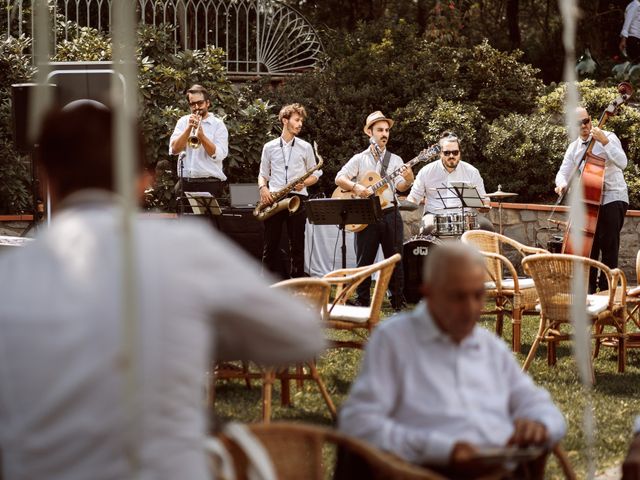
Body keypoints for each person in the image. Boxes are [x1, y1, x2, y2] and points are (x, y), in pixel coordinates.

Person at [0, 102, 324, 480]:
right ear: (143, 179)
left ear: (45, 179)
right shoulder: (184, 248)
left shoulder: (11, 275)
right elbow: (303, 337)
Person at [338, 243, 566, 476]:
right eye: (458, 296)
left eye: (478, 295)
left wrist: (540, 425)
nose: (470, 308)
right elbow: (359, 422)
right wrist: (444, 451)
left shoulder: (489, 346)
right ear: (429, 292)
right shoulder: (395, 340)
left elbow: (540, 406)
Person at [335, 111, 413, 310]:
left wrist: (410, 179)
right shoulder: (360, 159)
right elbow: (339, 178)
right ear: (369, 132)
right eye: (380, 130)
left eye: (387, 130)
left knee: (395, 260)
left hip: (390, 214)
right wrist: (356, 188)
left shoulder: (395, 160)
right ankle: (362, 301)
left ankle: (397, 302)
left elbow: (401, 187)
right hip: (366, 215)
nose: (384, 133)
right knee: (364, 261)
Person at [554, 107, 628, 293]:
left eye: (586, 121)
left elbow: (623, 163)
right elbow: (563, 172)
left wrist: (605, 142)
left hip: (613, 196)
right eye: (579, 124)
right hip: (590, 199)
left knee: (609, 247)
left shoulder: (608, 136)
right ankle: (589, 293)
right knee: (590, 248)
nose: (584, 126)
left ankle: (607, 292)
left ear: (590, 119)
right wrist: (562, 184)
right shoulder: (573, 148)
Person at [258, 103, 322, 278]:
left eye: (301, 120)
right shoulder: (269, 147)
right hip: (275, 198)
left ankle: (298, 285)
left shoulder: (306, 147)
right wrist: (263, 188)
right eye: (297, 120)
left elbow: (316, 173)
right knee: (270, 245)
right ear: (285, 121)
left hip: (298, 198)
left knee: (297, 246)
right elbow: (263, 174)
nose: (300, 123)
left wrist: (305, 183)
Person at [407, 131, 493, 233]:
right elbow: (414, 197)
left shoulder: (472, 172)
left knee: (487, 226)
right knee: (427, 227)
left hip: (465, 217)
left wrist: (484, 206)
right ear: (440, 153)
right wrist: (406, 204)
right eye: (447, 153)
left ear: (460, 153)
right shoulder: (426, 171)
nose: (451, 155)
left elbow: (484, 200)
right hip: (434, 215)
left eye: (455, 152)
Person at [169, 84, 229, 199]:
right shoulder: (183, 122)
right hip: (186, 182)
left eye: (200, 103)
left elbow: (219, 155)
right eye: (192, 104)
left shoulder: (218, 125)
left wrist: (201, 136)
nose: (196, 107)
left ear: (208, 103)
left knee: (208, 217)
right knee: (185, 217)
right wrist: (188, 129)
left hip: (210, 183)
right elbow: (174, 150)